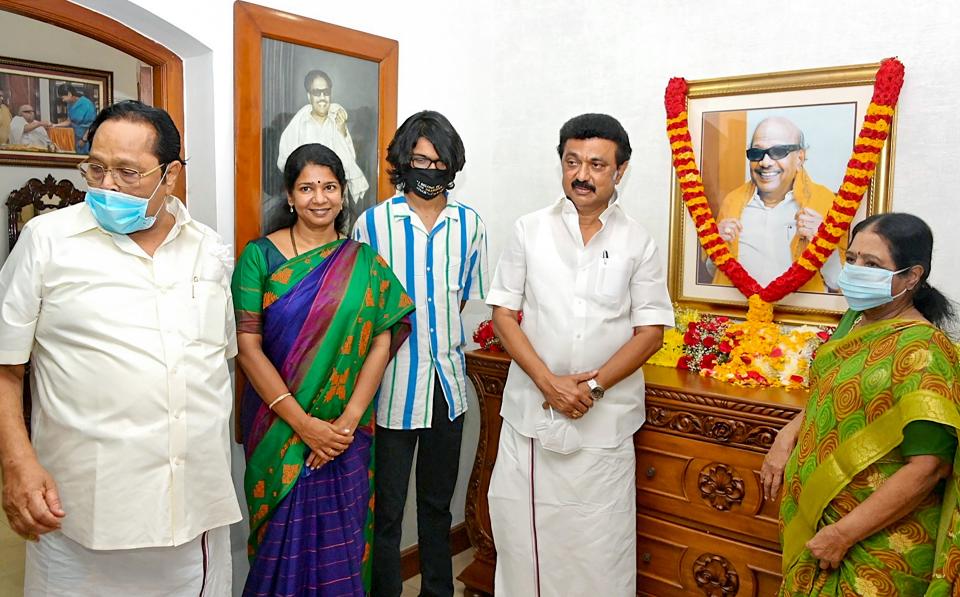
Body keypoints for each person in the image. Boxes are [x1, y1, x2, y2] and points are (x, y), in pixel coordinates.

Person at [0, 100, 241, 595]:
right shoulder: (47, 241)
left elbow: (220, 362)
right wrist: (18, 462)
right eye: (96, 167)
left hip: (191, 518)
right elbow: (6, 363)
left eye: (127, 172)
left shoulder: (208, 250)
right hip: (80, 517)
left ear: (170, 175)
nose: (106, 185)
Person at [486, 113, 674, 595]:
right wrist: (550, 383)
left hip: (603, 421)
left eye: (596, 164)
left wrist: (590, 387)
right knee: (523, 541)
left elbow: (651, 330)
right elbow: (504, 314)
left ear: (620, 170)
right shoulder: (529, 230)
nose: (582, 175)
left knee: (597, 548)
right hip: (532, 415)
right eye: (572, 161)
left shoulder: (639, 241)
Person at [233, 143, 414, 595]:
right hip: (280, 432)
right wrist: (304, 425)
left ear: (343, 192)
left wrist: (347, 422)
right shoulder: (259, 258)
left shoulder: (364, 262)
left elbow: (382, 339)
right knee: (280, 550)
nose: (319, 198)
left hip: (344, 436)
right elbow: (247, 348)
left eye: (329, 187)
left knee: (342, 549)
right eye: (306, 188)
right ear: (289, 197)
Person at [761, 213, 960, 595]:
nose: (855, 271)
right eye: (851, 259)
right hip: (820, 527)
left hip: (876, 544)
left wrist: (842, 533)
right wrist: (788, 433)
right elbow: (831, 392)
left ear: (912, 277)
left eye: (873, 264)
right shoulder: (856, 321)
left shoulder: (923, 351)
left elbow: (929, 466)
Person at [352, 110, 488, 597]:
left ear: (452, 166)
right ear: (401, 164)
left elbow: (463, 299)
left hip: (446, 388)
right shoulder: (372, 224)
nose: (428, 170)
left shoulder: (470, 226)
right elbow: (364, 308)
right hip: (389, 388)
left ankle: (437, 591)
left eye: (437, 161)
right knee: (385, 510)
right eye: (418, 160)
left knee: (436, 507)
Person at [708, 116, 842, 291]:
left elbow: (839, 283)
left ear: (800, 158)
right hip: (739, 316)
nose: (765, 162)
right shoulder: (732, 201)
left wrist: (825, 242)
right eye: (756, 153)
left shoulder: (825, 202)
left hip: (798, 316)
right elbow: (714, 272)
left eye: (778, 152)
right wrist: (715, 245)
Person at [277, 70, 370, 221]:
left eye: (325, 92)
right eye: (317, 92)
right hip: (306, 202)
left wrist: (341, 132)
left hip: (334, 202)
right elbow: (285, 163)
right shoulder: (298, 125)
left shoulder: (338, 122)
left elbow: (349, 162)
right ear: (309, 96)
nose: (322, 98)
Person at [52, 84, 96, 154]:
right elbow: (69, 121)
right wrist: (55, 125)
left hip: (87, 137)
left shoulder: (87, 104)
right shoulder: (69, 104)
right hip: (75, 136)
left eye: (63, 98)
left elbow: (93, 125)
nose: (63, 100)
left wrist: (84, 140)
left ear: (69, 94)